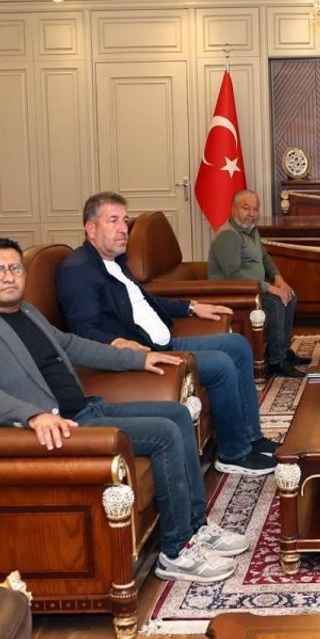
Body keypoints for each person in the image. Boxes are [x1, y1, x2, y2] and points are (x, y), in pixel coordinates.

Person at [0, 237, 250, 584]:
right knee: (164, 433)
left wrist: (137, 358)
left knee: (177, 414)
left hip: (87, 410)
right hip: (64, 429)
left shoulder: (26, 312)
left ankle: (196, 526)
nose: (8, 277)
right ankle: (175, 551)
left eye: (15, 268)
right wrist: (32, 415)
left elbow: (71, 345)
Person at [57, 191, 279, 478]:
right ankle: (233, 453)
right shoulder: (78, 270)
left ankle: (251, 436)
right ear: (91, 228)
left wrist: (191, 306)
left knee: (237, 344)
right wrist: (117, 343)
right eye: (113, 221)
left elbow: (147, 299)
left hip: (167, 341)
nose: (124, 228)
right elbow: (82, 329)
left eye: (125, 220)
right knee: (221, 364)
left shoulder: (116, 261)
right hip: (145, 353)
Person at [206, 189, 306, 378]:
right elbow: (234, 275)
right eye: (246, 208)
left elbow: (265, 258)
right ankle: (276, 362)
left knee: (289, 296)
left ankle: (283, 351)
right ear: (233, 209)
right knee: (275, 302)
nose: (251, 214)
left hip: (253, 288)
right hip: (233, 291)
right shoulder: (228, 235)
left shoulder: (251, 230)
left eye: (255, 209)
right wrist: (270, 288)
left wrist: (279, 280)